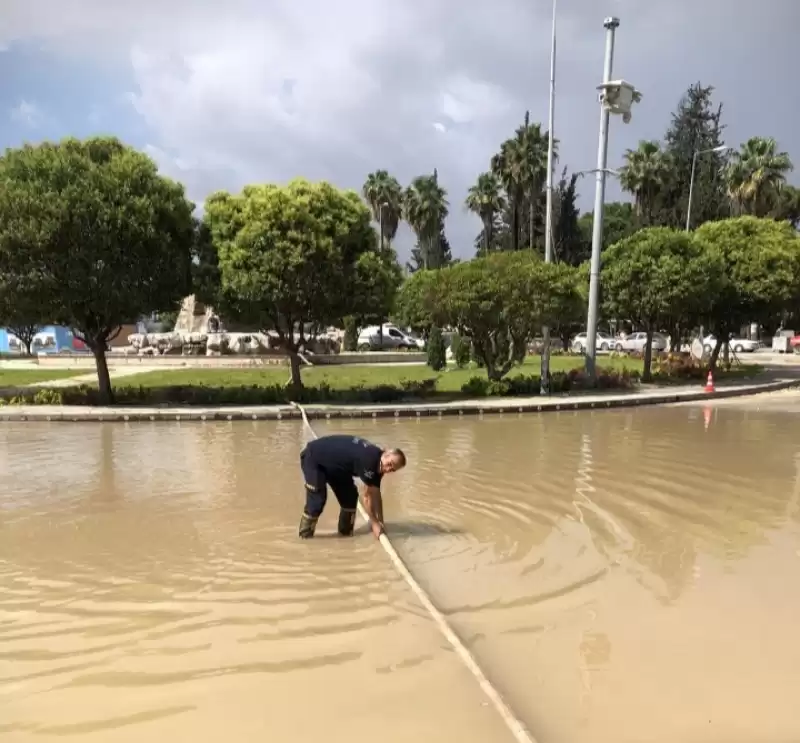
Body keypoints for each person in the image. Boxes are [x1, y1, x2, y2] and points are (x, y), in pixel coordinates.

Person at [298, 434, 406, 539]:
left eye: (392, 470)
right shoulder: (370, 461)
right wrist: (374, 523)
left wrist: (381, 522)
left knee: (350, 498)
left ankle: (345, 536)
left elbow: (376, 494)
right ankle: (305, 537)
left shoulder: (379, 464)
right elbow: (367, 497)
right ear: (385, 454)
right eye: (389, 464)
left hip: (337, 467)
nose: (388, 469)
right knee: (317, 500)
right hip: (314, 458)